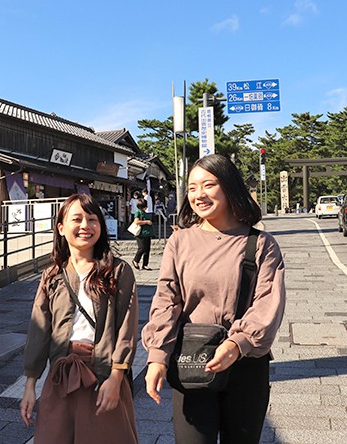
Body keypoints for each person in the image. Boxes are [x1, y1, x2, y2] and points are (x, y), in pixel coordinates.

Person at [141, 154, 286, 443]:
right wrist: (157, 356)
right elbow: (166, 300)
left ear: (230, 187)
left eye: (208, 185)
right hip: (192, 361)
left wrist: (237, 343)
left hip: (245, 365)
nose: (199, 195)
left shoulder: (261, 244)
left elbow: (269, 300)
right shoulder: (180, 242)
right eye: (192, 188)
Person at [20, 193, 138, 443]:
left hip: (103, 376)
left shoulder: (118, 271)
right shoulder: (52, 275)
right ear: (61, 228)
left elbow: (127, 329)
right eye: (77, 219)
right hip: (61, 374)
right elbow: (39, 330)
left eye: (92, 219)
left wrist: (116, 377)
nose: (85, 226)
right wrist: (30, 385)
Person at [132, 198, 153, 270]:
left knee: (147, 249)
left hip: (147, 233)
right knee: (142, 248)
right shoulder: (138, 212)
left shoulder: (145, 213)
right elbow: (136, 222)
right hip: (140, 234)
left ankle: (145, 264)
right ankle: (135, 260)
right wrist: (146, 222)